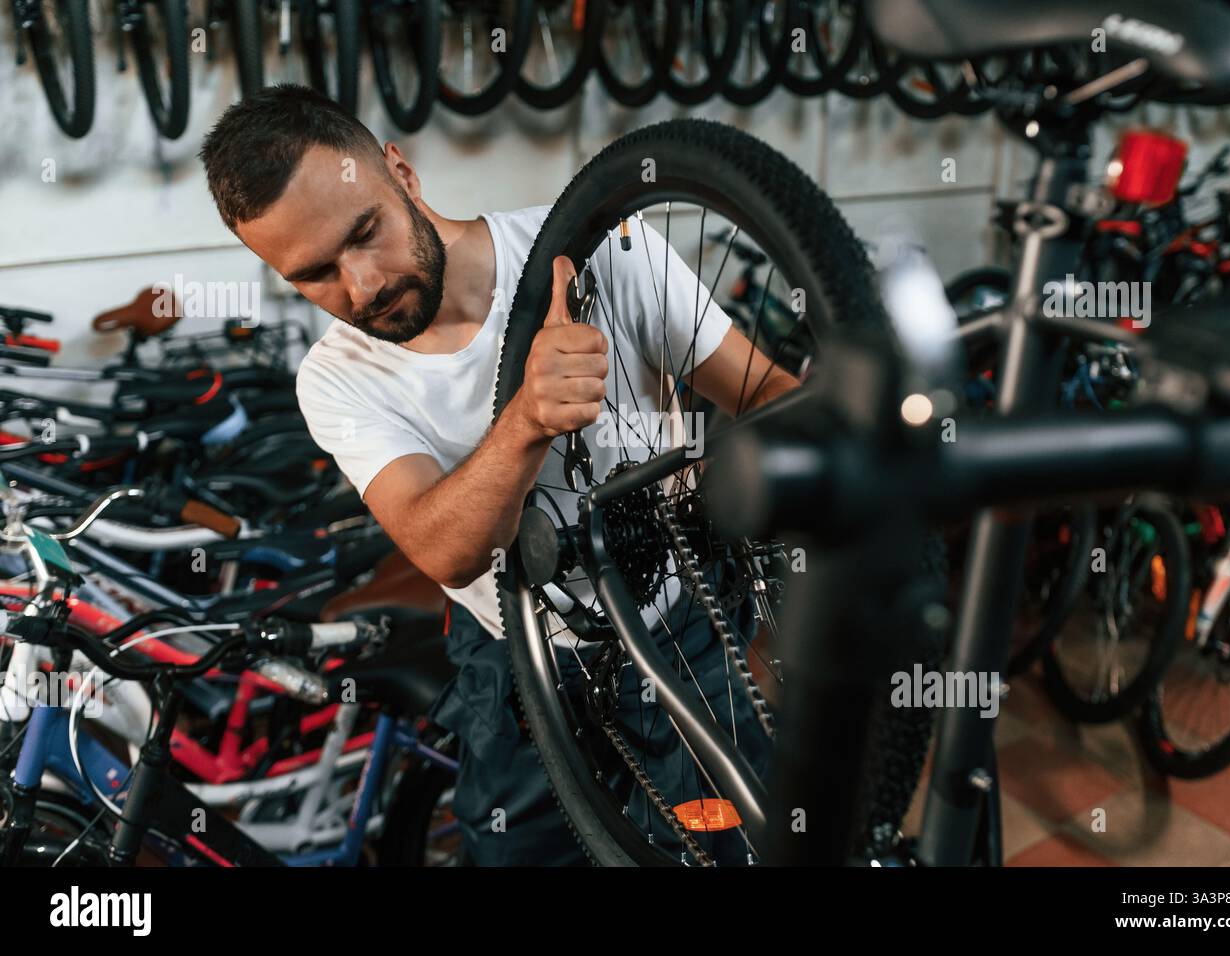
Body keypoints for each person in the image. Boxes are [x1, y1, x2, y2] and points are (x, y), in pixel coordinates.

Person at [200, 84, 797, 864]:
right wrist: (528, 418)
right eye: (314, 274)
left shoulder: (606, 250)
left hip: (681, 630)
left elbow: (775, 400)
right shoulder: (335, 377)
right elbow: (442, 549)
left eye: (366, 232)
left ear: (400, 173)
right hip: (515, 657)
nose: (363, 285)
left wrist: (736, 478)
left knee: (731, 849)